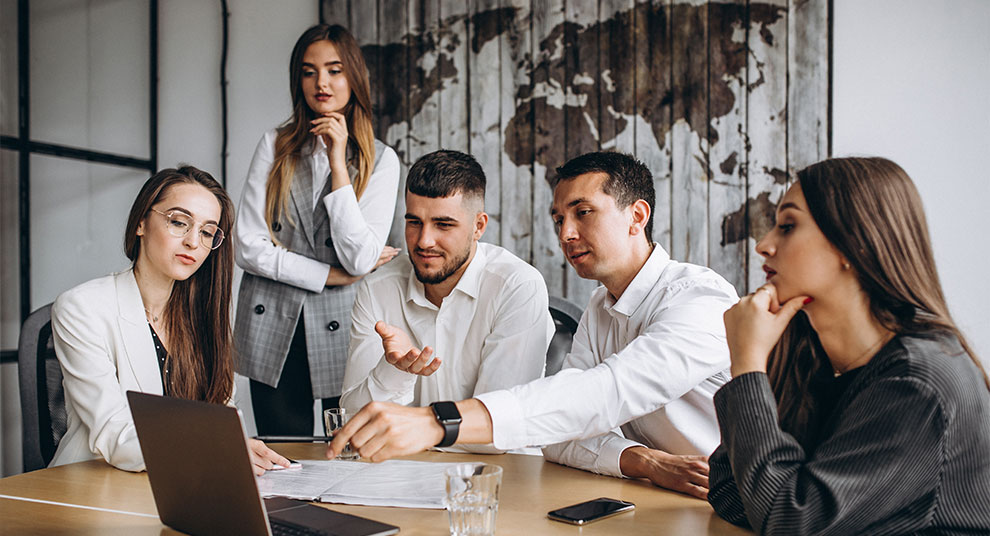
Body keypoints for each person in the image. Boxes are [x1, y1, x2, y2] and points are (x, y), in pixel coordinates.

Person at [328, 152, 738, 499]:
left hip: (734, 498)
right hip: (656, 495)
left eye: (583, 213)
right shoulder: (600, 306)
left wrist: (438, 421)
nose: (566, 233)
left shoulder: (699, 298)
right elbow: (562, 437)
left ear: (637, 216)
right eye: (559, 219)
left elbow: (607, 393)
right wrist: (644, 462)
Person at [708, 157, 990, 534]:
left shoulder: (918, 383)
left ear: (851, 245)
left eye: (788, 226)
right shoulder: (810, 354)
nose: (763, 245)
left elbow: (791, 522)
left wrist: (747, 365)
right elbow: (730, 492)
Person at [51, 166, 290, 475]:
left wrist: (235, 445)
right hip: (96, 485)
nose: (193, 241)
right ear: (140, 223)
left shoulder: (203, 316)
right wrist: (217, 447)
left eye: (206, 232)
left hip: (183, 483)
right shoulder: (82, 307)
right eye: (179, 222)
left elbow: (220, 418)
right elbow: (113, 434)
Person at [234, 24, 401, 436]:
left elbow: (360, 258)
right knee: (282, 453)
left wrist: (340, 162)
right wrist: (328, 275)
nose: (321, 83)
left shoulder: (381, 159)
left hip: (343, 323)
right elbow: (246, 246)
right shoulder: (276, 144)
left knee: (344, 452)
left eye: (334, 70)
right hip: (272, 318)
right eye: (309, 72)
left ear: (354, 77)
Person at [339, 150, 554, 454]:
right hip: (401, 476)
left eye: (443, 224)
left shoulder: (517, 286)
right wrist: (394, 371)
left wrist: (413, 427)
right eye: (414, 222)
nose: (424, 240)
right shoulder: (377, 288)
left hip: (499, 477)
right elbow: (352, 421)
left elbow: (496, 433)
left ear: (478, 226)